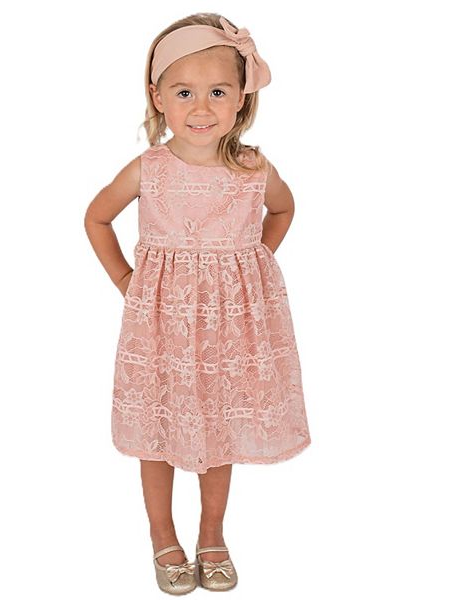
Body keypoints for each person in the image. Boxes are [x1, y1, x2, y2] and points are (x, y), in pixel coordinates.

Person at [84, 12, 311, 594]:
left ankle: (212, 532)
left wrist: (253, 262)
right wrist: (126, 280)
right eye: (184, 92)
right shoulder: (149, 170)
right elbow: (97, 217)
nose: (202, 107)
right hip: (160, 326)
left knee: (220, 426)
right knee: (157, 427)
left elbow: (284, 208)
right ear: (158, 96)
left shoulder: (253, 169)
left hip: (225, 332)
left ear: (242, 99)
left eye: (218, 92)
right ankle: (163, 535)